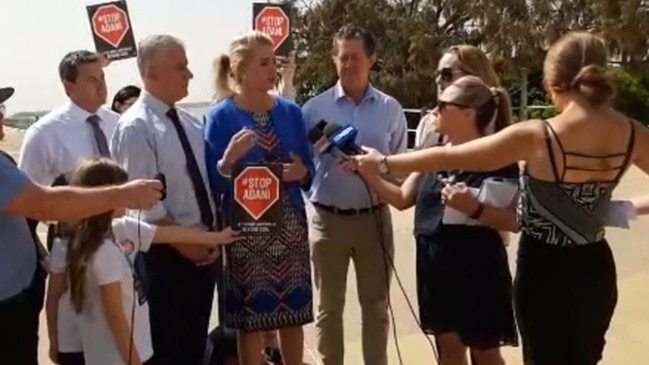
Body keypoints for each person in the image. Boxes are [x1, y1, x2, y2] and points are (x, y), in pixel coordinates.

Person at [354, 31, 649, 365]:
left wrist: (382, 162)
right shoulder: (632, 132)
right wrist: (618, 209)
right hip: (595, 269)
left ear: (554, 81)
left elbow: (448, 158)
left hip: (544, 268)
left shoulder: (539, 134)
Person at [359, 75, 518, 365]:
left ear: (468, 113)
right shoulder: (432, 154)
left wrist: (474, 208)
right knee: (448, 352)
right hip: (436, 269)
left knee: (485, 354)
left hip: (478, 271)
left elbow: (516, 220)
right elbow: (402, 199)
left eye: (443, 105)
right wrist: (370, 175)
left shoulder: (497, 156)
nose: (433, 111)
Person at [56, 158, 239, 365]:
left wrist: (218, 238)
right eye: (122, 191)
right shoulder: (103, 252)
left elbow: (172, 234)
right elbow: (115, 316)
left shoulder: (122, 229)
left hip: (136, 349)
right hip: (118, 357)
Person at [205, 30, 315, 365]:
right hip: (246, 230)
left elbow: (309, 168)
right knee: (250, 317)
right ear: (240, 68)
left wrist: (301, 173)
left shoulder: (291, 112)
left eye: (275, 63)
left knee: (294, 314)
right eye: (264, 63)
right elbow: (214, 179)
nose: (274, 70)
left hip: (290, 225)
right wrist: (229, 160)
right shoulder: (221, 115)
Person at [301, 24, 408, 365]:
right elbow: (303, 168)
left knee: (376, 307)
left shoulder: (391, 109)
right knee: (329, 310)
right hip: (327, 220)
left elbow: (402, 168)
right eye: (342, 57)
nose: (348, 64)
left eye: (355, 57)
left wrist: (373, 165)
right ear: (334, 60)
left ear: (371, 59)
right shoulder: (313, 110)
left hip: (374, 219)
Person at [111, 34, 220, 365]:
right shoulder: (135, 127)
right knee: (168, 348)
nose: (189, 74)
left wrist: (209, 238)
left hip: (203, 254)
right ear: (152, 73)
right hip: (166, 258)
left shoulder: (189, 122)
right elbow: (144, 203)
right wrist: (187, 244)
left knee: (194, 346)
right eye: (181, 67)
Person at [1, 144, 161, 365]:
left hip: (73, 334)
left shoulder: (111, 236)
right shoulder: (95, 250)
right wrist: (124, 194)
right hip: (21, 315)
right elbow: (46, 206)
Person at [19, 50, 120, 253]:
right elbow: (25, 203)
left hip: (124, 238)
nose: (101, 86)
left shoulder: (119, 124)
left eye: (102, 77)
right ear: (69, 85)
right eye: (92, 80)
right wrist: (40, 255)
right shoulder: (44, 134)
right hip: (73, 245)